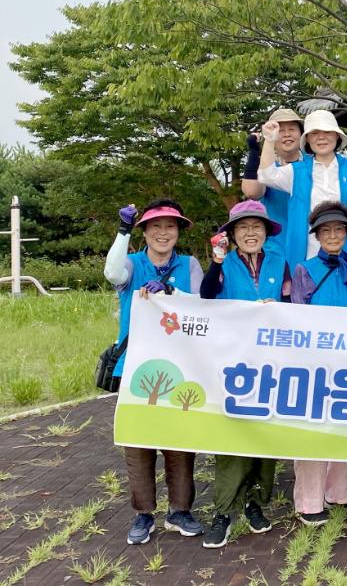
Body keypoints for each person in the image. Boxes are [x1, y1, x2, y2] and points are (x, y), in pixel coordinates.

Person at [103, 199, 204, 545]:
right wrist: (121, 230)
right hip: (135, 367)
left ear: (179, 232)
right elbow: (112, 274)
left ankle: (180, 510)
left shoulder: (189, 265)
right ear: (144, 231)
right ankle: (143, 514)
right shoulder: (132, 264)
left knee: (179, 442)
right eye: (155, 226)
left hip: (180, 364)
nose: (164, 233)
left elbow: (201, 308)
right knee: (139, 443)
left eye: (171, 227)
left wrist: (171, 291)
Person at [199, 200, 290, 548]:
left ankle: (256, 503)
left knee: (265, 436)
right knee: (233, 437)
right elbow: (207, 297)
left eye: (257, 227)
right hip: (233, 363)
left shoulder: (280, 263)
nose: (251, 233)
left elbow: (293, 307)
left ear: (266, 232)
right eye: (243, 228)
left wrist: (276, 310)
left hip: (272, 363)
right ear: (232, 234)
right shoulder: (223, 264)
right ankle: (223, 511)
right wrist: (216, 263)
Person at [290, 201, 347, 526]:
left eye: (339, 229)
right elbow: (297, 315)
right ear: (317, 235)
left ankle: (339, 492)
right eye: (325, 230)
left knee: (342, 424)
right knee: (312, 429)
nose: (333, 235)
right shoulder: (304, 269)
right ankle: (309, 500)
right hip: (314, 361)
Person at [258, 109, 347, 269]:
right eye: (314, 133)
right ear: (307, 139)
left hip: (345, 248)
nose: (321, 137)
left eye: (327, 132)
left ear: (337, 136)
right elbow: (266, 176)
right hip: (305, 253)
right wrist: (270, 140)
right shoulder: (296, 171)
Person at [241, 108, 304, 236]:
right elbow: (252, 192)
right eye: (280, 130)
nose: (287, 134)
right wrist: (254, 152)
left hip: (310, 244)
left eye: (292, 129)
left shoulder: (314, 164)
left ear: (302, 134)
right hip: (275, 247)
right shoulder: (266, 167)